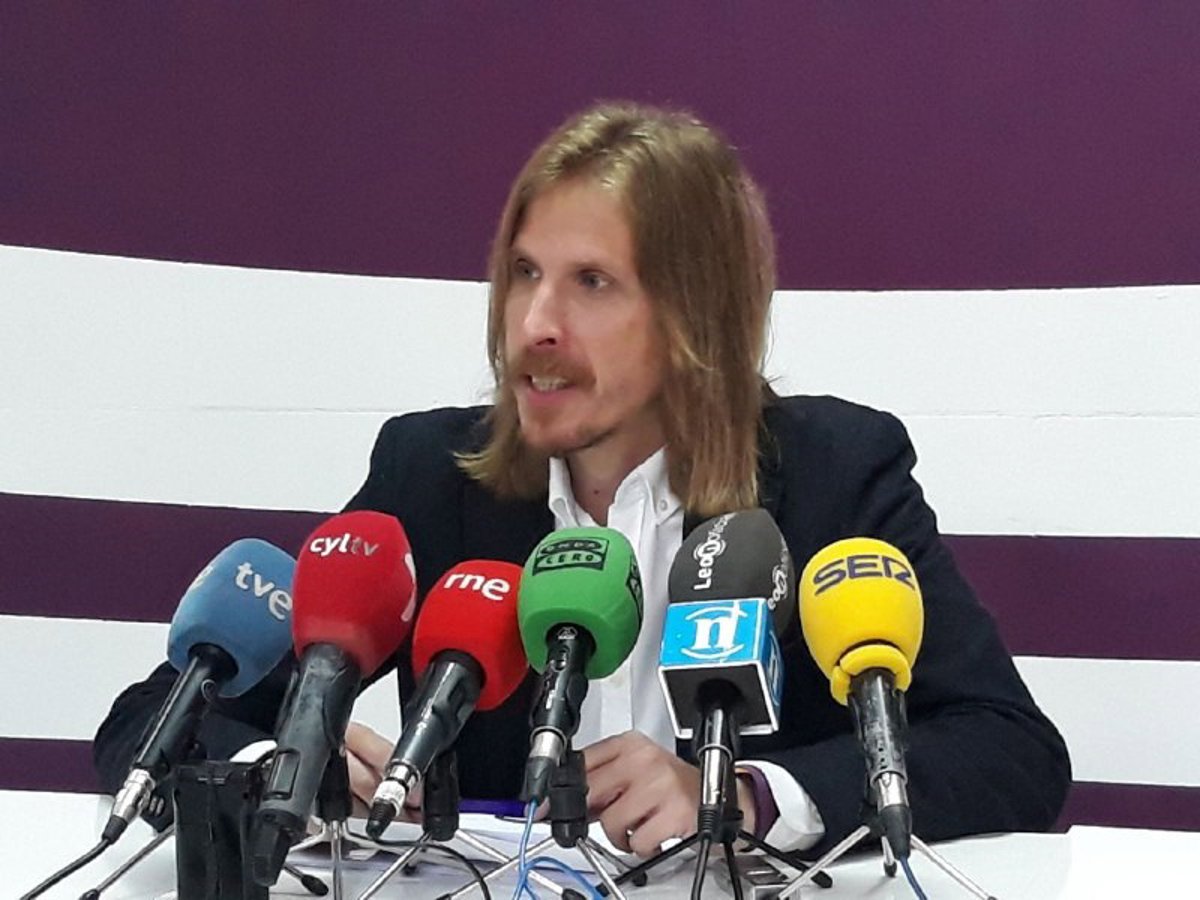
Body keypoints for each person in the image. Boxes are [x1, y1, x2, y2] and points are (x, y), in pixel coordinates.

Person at [94, 101, 1071, 860]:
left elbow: (1009, 749)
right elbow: (150, 724)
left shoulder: (832, 475)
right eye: (523, 274)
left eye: (590, 283)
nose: (534, 326)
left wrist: (745, 796)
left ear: (697, 314)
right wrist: (275, 767)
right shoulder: (432, 478)